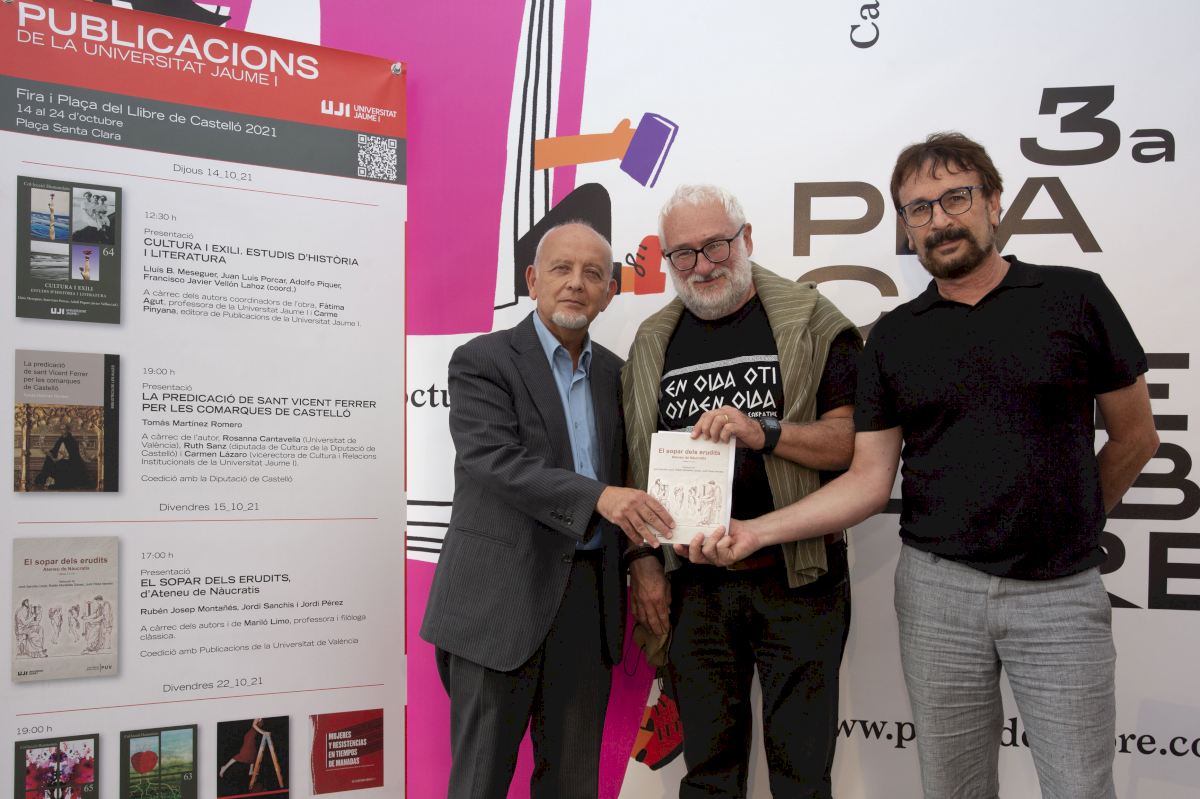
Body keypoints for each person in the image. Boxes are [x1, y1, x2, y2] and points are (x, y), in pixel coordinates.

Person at [696, 132, 1159, 799]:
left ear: (994, 202)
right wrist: (755, 532)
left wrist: (1075, 521)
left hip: (1060, 594)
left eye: (956, 198)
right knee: (952, 788)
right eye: (919, 208)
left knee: (1080, 786)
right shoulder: (894, 335)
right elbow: (867, 478)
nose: (939, 219)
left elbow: (1136, 437)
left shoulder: (1075, 298)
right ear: (906, 226)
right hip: (937, 595)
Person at [420, 221, 674, 799]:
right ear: (533, 280)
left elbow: (631, 475)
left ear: (610, 292)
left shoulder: (618, 375)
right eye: (562, 268)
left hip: (588, 600)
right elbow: (495, 461)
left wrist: (642, 558)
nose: (576, 283)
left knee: (572, 784)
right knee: (480, 784)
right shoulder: (483, 360)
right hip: (498, 600)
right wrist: (598, 497)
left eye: (593, 274)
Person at [622, 184, 861, 798]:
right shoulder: (651, 341)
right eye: (683, 253)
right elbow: (634, 466)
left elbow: (850, 444)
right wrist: (644, 561)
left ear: (746, 238)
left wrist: (765, 432)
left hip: (798, 579)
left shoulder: (811, 322)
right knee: (709, 776)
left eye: (716, 245)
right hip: (694, 587)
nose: (702, 265)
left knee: (802, 776)